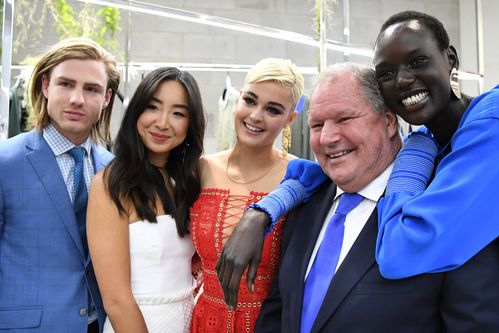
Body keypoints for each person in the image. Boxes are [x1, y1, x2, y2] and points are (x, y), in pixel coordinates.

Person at [216, 10, 499, 303]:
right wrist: (262, 211)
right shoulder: (439, 140)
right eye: (386, 73)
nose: (402, 80)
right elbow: (317, 173)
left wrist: (408, 166)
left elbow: (399, 251)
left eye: (418, 61)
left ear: (450, 59)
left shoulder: (491, 127)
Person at [255, 62, 499, 333]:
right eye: (316, 125)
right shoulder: (304, 205)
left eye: (344, 119)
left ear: (388, 120)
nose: (327, 137)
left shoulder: (444, 210)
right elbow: (279, 310)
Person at [0, 38, 119, 332]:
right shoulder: (5, 163)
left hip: (100, 325)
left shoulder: (115, 170)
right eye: (66, 84)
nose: (77, 99)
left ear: (106, 98)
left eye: (91, 89)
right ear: (45, 86)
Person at [86, 67, 206, 333]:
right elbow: (116, 301)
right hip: (135, 323)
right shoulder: (111, 184)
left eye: (178, 113)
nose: (162, 123)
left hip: (187, 320)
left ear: (191, 122)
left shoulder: (190, 180)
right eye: (153, 107)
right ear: (136, 111)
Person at [189, 58, 303, 332]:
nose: (255, 116)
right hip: (204, 321)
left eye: (272, 109)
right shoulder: (200, 169)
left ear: (290, 119)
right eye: (250, 100)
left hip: (269, 324)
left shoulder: (299, 176)